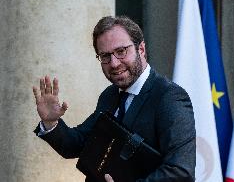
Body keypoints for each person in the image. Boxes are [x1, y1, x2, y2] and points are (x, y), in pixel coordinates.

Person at [32, 16, 196, 182]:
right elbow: (78, 144)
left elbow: (180, 172)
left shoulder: (169, 97)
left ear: (141, 49)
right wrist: (51, 123)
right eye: (105, 56)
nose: (114, 63)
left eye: (121, 51)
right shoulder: (109, 95)